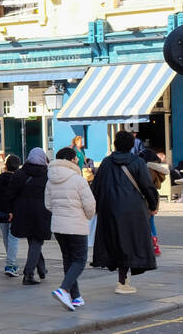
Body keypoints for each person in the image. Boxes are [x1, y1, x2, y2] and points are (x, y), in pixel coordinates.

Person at [92, 132, 158, 293]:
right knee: (131, 242)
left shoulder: (106, 163)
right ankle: (123, 282)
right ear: (131, 145)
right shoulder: (138, 162)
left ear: (115, 145)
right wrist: (153, 204)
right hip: (133, 210)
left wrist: (94, 207)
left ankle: (122, 280)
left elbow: (96, 187)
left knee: (115, 242)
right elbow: (147, 186)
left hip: (109, 209)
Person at [44, 147, 97, 311]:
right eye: (75, 158)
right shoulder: (78, 179)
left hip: (59, 226)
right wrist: (87, 216)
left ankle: (76, 297)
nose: (77, 161)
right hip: (76, 225)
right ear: (71, 160)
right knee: (80, 260)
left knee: (68, 259)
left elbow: (48, 204)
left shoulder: (50, 179)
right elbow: (90, 205)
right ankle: (64, 289)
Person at [10, 148, 52, 285]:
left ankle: (42, 269)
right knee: (37, 241)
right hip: (41, 213)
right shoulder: (48, 175)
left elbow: (10, 194)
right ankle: (28, 274)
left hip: (22, 213)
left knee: (33, 240)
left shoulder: (19, 173)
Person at [0, 154, 23, 277]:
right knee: (13, 239)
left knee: (6, 239)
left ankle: (12, 263)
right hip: (14, 214)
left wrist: (0, 212)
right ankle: (10, 264)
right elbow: (19, 198)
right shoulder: (17, 180)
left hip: (2, 214)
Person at [140, 148, 169, 255]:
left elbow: (146, 186)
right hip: (153, 197)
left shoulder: (148, 170)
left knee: (147, 223)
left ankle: (152, 245)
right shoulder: (156, 170)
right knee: (151, 222)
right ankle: (155, 246)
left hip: (147, 198)